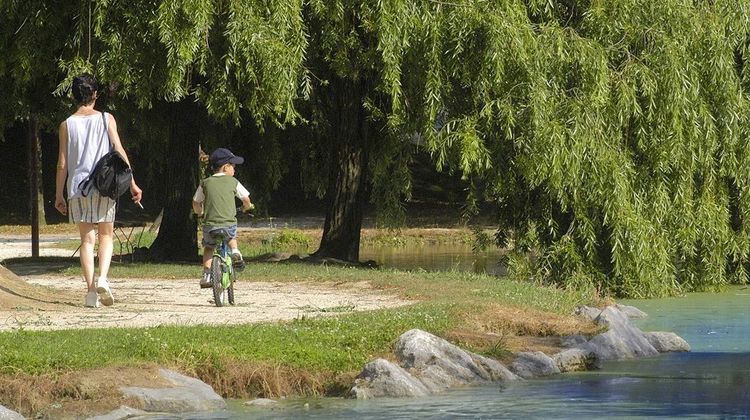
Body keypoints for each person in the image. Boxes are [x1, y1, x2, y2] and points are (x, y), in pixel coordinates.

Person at [54, 74, 143, 308]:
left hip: (77, 187)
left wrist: (58, 194)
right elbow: (119, 149)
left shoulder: (66, 125)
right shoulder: (106, 119)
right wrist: (132, 182)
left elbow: (62, 163)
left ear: (74, 95)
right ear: (95, 94)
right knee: (106, 235)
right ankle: (103, 277)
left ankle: (91, 292)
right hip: (106, 184)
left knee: (86, 240)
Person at [192, 148, 254, 288]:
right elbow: (246, 199)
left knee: (208, 247)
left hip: (210, 225)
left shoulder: (205, 183)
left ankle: (207, 274)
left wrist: (200, 212)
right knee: (231, 237)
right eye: (233, 166)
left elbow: (196, 202)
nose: (235, 169)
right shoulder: (233, 182)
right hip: (228, 223)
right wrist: (246, 207)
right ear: (226, 167)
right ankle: (235, 252)